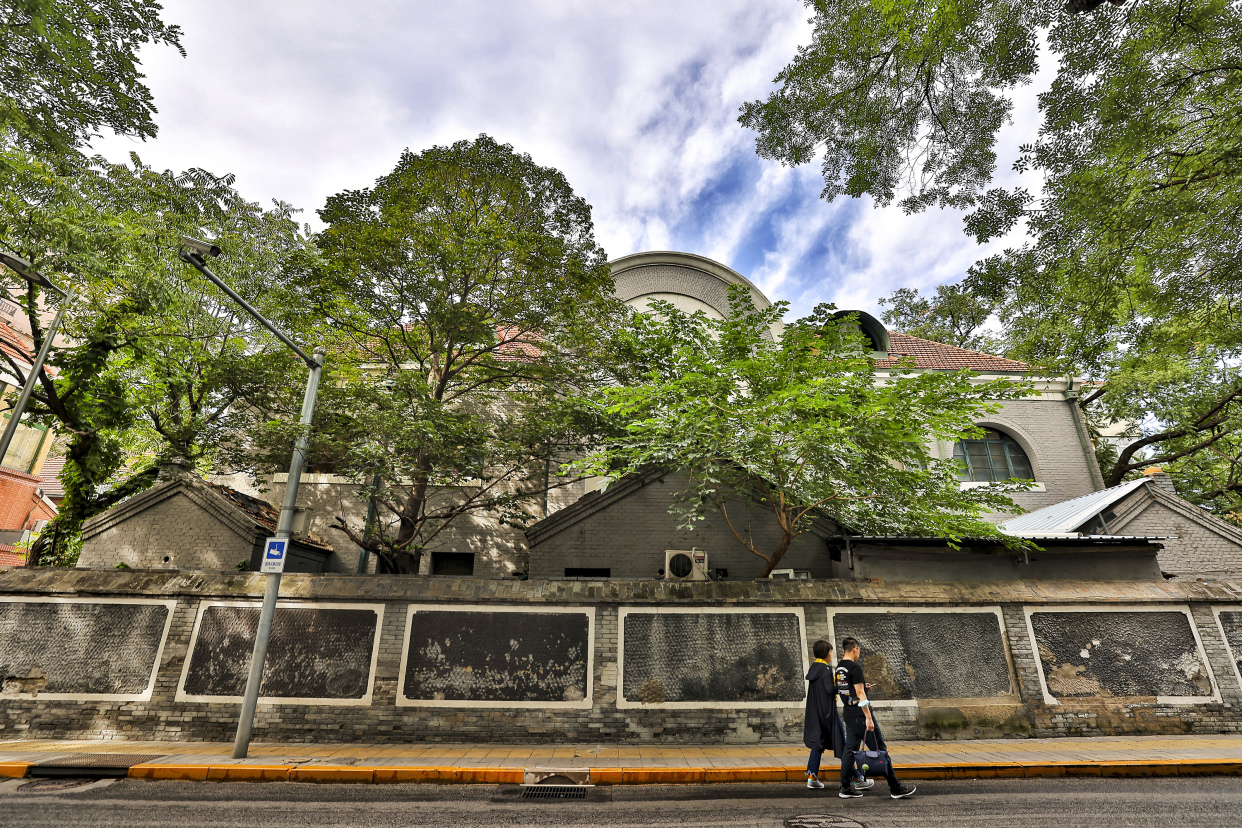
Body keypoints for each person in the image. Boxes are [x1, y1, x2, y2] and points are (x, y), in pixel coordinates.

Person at [834, 637, 916, 800]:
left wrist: (863, 688)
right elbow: (859, 694)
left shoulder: (839, 668)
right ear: (855, 649)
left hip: (849, 713)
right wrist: (868, 717)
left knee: (849, 751)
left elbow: (847, 690)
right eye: (859, 650)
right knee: (880, 749)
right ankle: (895, 787)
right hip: (860, 714)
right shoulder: (855, 667)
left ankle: (845, 787)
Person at [802, 640, 873, 790]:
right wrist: (849, 688)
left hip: (817, 713)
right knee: (843, 747)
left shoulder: (814, 668)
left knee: (818, 743)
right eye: (830, 651)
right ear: (826, 653)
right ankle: (857, 778)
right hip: (829, 714)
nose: (832, 654)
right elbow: (830, 689)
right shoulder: (826, 669)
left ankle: (812, 777)